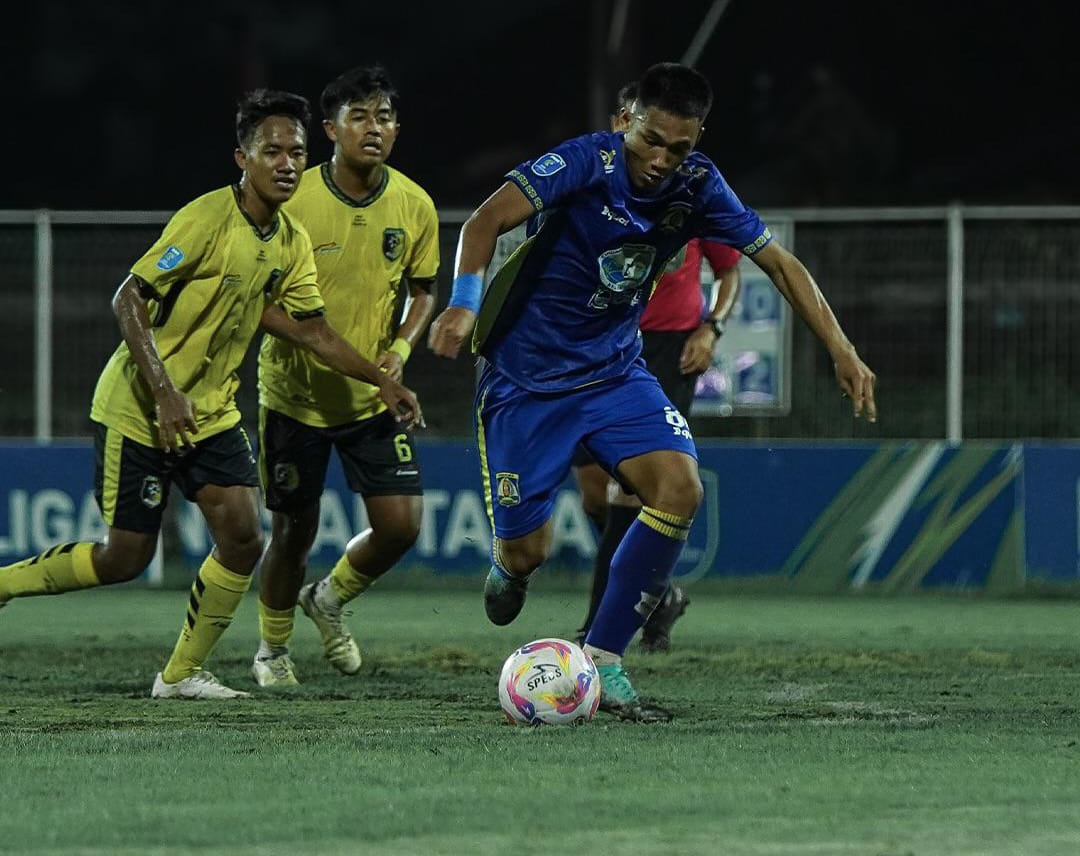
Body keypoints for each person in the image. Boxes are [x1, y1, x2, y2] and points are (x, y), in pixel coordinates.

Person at [429, 62, 875, 722]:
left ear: (698, 141)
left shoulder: (699, 186)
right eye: (651, 140)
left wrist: (841, 347)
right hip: (527, 382)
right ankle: (512, 566)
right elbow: (484, 222)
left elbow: (777, 262)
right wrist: (463, 305)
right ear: (625, 122)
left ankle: (605, 657)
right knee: (530, 550)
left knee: (680, 489)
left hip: (615, 373)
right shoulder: (585, 161)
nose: (662, 159)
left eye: (680, 147)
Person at [0, 89, 422, 700]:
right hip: (140, 408)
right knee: (125, 559)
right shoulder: (204, 220)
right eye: (271, 151)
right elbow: (128, 297)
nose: (286, 163)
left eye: (296, 153)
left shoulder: (290, 240)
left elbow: (312, 330)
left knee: (245, 536)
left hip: (212, 413)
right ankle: (6, 585)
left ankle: (179, 675)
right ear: (242, 159)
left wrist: (382, 378)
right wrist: (166, 391)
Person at [252, 65, 439, 689]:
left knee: (401, 525)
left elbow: (423, 292)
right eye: (359, 117)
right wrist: (310, 338)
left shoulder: (413, 204)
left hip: (371, 398)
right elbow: (258, 298)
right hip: (294, 398)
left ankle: (328, 598)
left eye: (384, 117)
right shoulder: (291, 197)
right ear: (330, 130)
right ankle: (272, 650)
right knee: (292, 530)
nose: (374, 128)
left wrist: (402, 350)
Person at [573, 83, 743, 653]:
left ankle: (598, 632)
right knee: (595, 493)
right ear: (624, 121)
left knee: (629, 490)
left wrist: (710, 327)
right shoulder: (595, 183)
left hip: (669, 348)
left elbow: (730, 272)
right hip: (601, 346)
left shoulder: (693, 193)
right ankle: (659, 592)